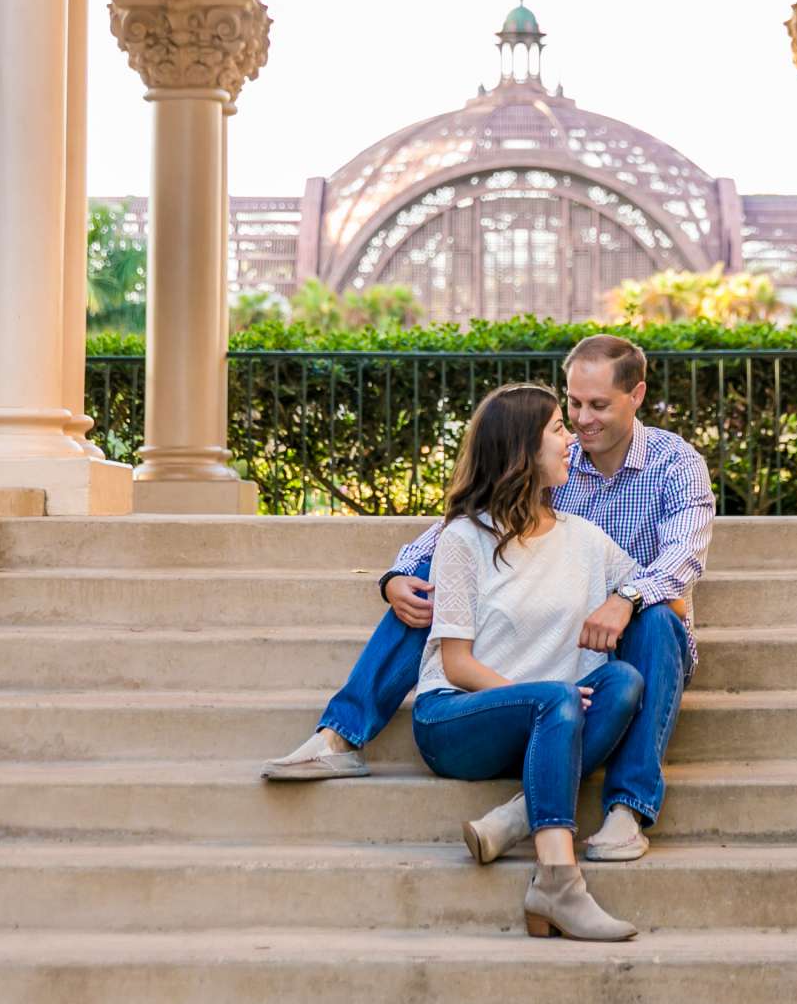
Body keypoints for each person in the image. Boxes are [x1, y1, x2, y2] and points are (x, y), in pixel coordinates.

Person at [264, 333, 713, 864]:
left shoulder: (674, 463)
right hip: (534, 639)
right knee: (428, 580)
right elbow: (467, 526)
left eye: (598, 405)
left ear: (636, 396)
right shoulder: (553, 460)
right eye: (572, 405)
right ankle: (341, 734)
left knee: (658, 619)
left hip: (624, 635)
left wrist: (628, 597)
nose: (581, 421)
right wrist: (393, 578)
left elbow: (682, 560)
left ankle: (627, 808)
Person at [402, 382, 645, 940]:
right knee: (559, 697)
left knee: (625, 680)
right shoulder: (464, 538)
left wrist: (624, 598)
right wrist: (537, 697)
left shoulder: (584, 538)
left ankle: (516, 815)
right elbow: (457, 663)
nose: (572, 440)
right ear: (520, 448)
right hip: (456, 718)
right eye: (559, 428)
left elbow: (664, 593)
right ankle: (559, 883)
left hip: (549, 719)